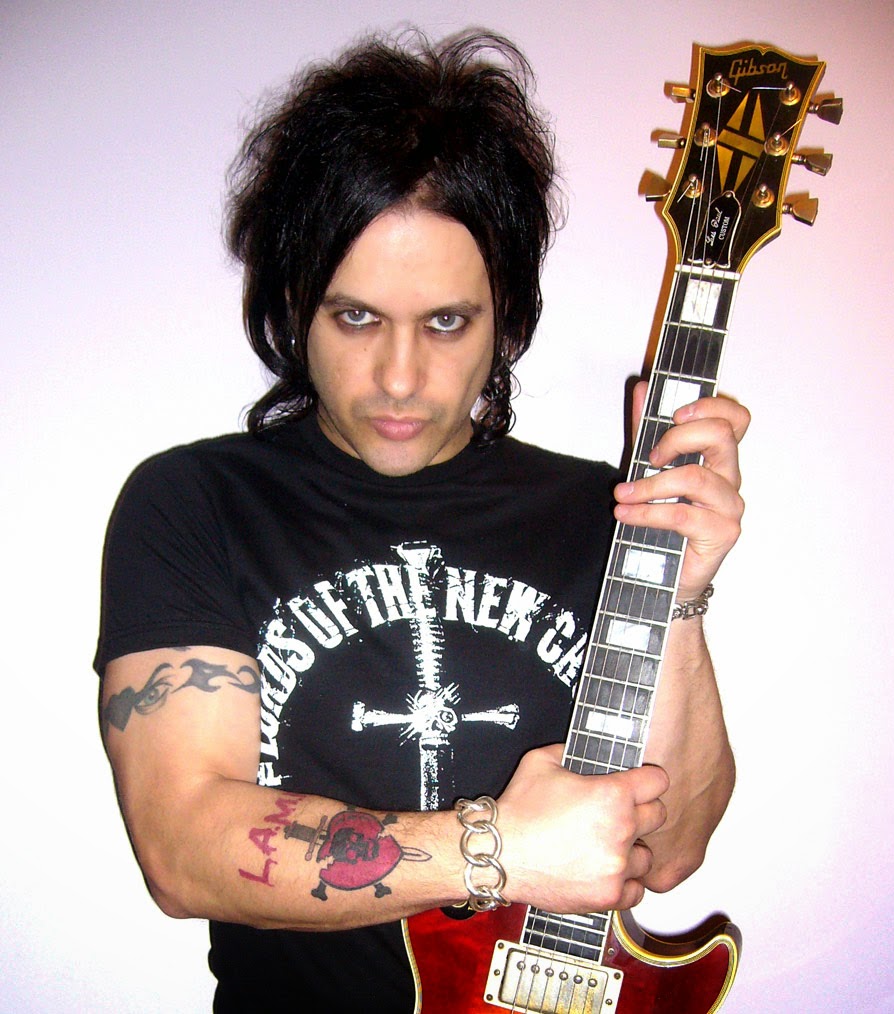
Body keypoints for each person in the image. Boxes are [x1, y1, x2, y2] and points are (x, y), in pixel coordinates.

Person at [95, 30, 748, 1012]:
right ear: (294, 302)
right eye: (355, 317)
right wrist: (498, 850)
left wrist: (684, 592)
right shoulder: (196, 503)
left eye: (446, 322)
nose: (399, 378)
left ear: (506, 316)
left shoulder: (603, 513)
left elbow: (671, 848)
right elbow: (183, 849)